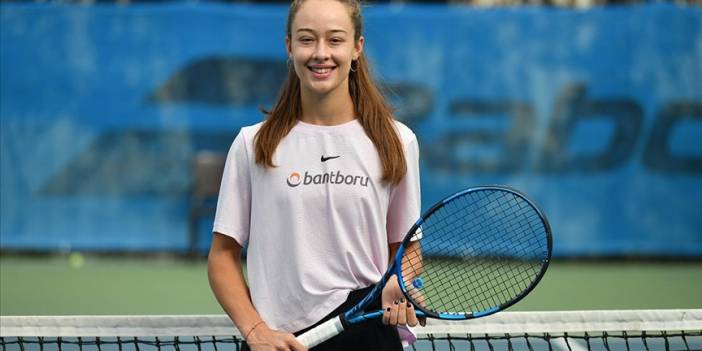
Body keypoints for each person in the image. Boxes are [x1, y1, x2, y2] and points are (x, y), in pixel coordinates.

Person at [207, 0, 421, 349]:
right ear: (289, 46)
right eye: (307, 39)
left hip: (367, 336)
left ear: (357, 48)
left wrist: (400, 279)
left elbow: (407, 246)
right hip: (277, 341)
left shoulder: (397, 141)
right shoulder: (253, 144)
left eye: (335, 40)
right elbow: (222, 256)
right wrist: (255, 331)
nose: (321, 53)